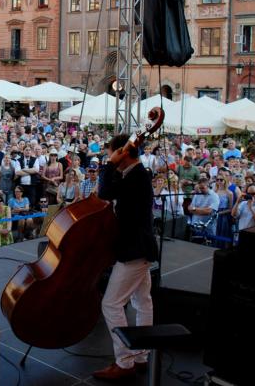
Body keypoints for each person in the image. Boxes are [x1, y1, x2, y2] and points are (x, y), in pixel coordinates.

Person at [94, 133, 158, 381]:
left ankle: (125, 362)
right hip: (140, 248)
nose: (110, 158)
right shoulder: (135, 175)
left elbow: (104, 192)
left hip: (134, 251)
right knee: (142, 302)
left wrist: (110, 164)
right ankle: (141, 355)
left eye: (112, 154)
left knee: (111, 304)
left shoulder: (136, 176)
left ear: (123, 153)